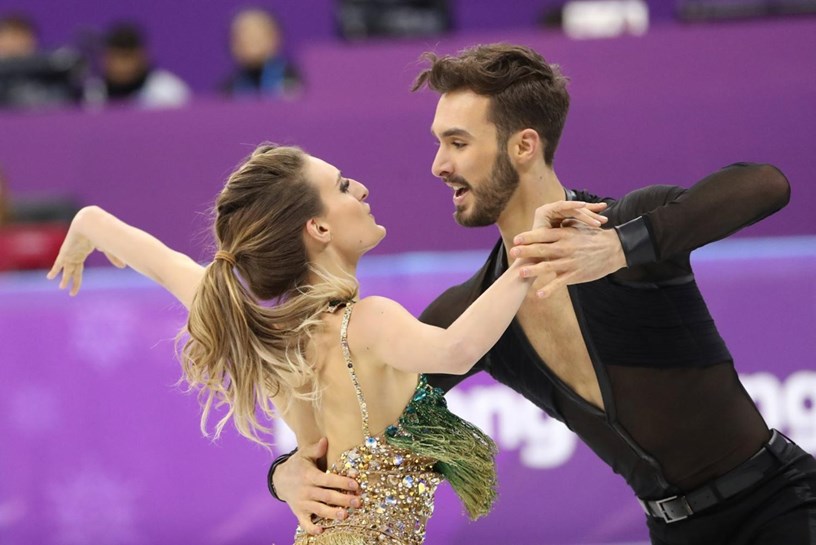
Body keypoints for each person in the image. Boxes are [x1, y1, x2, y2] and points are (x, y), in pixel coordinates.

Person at [268, 44, 816, 544]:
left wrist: (620, 248)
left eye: (457, 143)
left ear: (524, 146)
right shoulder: (472, 313)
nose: (439, 165)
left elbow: (766, 184)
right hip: (675, 533)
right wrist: (286, 473)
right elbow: (365, 412)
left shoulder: (621, 223)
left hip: (783, 504)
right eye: (440, 144)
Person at [47, 143, 607, 544]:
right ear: (318, 229)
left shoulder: (268, 334)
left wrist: (92, 224)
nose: (361, 189)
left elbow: (169, 267)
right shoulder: (366, 321)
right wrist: (529, 257)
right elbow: (458, 350)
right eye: (342, 186)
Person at [95, 22, 190, 108]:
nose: (122, 65)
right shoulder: (92, 94)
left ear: (143, 57)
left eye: (127, 57)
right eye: (115, 57)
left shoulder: (169, 92)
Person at [221, 8, 301, 99]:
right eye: (242, 37)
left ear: (274, 38)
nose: (248, 42)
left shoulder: (293, 81)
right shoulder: (228, 90)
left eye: (255, 37)